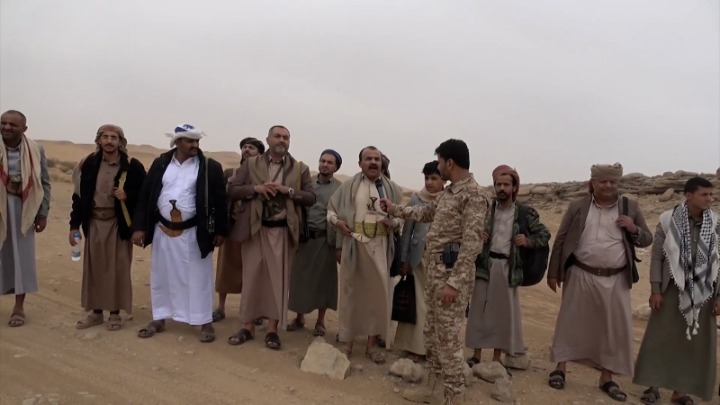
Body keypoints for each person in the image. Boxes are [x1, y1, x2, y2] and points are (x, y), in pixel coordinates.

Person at [382, 139, 488, 405]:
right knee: (432, 333)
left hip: (451, 275)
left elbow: (472, 245)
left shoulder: (473, 195)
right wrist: (395, 209)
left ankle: (454, 396)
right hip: (435, 271)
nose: (438, 167)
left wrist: (454, 283)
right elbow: (425, 213)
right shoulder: (449, 193)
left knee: (448, 339)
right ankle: (432, 389)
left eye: (439, 162)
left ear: (449, 163)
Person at [547, 163, 652, 402]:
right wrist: (553, 273)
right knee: (570, 322)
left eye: (613, 181)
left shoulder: (630, 207)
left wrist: (633, 228)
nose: (608, 185)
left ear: (618, 183)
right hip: (580, 273)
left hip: (616, 278)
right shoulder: (578, 206)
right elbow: (561, 239)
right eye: (603, 181)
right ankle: (560, 368)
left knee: (613, 329)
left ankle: (607, 377)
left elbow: (647, 239)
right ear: (592, 182)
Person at [131, 123, 227, 342]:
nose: (195, 145)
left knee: (199, 277)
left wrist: (220, 230)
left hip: (195, 232)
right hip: (163, 230)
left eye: (197, 141)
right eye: (190, 141)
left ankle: (204, 321)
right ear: (177, 142)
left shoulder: (209, 167)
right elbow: (146, 195)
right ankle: (160, 318)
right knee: (161, 275)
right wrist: (139, 227)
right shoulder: (161, 163)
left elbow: (220, 200)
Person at [226, 125, 315, 350]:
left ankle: (272, 330)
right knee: (252, 278)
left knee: (278, 281)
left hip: (282, 231)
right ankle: (247, 326)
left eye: (286, 137)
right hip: (255, 229)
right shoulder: (250, 164)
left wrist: (288, 191)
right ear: (268, 139)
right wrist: (256, 189)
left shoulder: (300, 168)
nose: (281, 140)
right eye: (277, 136)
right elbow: (233, 190)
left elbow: (310, 197)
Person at [634, 177, 719, 405]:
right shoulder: (668, 220)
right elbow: (657, 257)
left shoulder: (715, 223)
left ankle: (680, 392)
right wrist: (656, 289)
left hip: (703, 292)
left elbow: (718, 262)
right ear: (688, 195)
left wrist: (719, 296)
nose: (709, 199)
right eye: (704, 194)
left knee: (693, 343)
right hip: (672, 289)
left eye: (711, 194)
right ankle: (652, 386)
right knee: (661, 338)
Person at [465, 165, 550, 366]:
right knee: (479, 311)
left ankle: (496, 359)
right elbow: (469, 229)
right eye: (498, 184)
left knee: (501, 313)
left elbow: (544, 234)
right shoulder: (486, 209)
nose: (502, 188)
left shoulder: (524, 213)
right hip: (484, 266)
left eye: (506, 184)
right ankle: (476, 355)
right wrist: (479, 236)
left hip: (507, 268)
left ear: (514, 187)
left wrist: (528, 241)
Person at [327, 146, 403, 364]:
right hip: (355, 245)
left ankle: (371, 346)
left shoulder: (391, 189)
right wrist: (338, 223)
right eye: (368, 159)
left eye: (376, 159)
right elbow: (331, 211)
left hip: (380, 246)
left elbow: (402, 217)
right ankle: (347, 343)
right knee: (352, 294)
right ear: (360, 163)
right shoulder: (349, 187)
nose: (373, 162)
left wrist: (394, 223)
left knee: (376, 296)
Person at [69, 124, 146, 331]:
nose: (109, 141)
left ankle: (114, 313)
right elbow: (78, 197)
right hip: (94, 222)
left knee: (117, 269)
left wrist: (127, 196)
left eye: (114, 137)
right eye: (105, 137)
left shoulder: (132, 166)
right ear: (99, 140)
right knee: (94, 269)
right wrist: (74, 226)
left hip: (118, 224)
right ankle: (95, 313)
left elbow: (144, 198)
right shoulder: (88, 163)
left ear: (121, 142)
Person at [0, 110, 51, 327]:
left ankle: (19, 307)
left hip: (24, 209)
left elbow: (44, 183)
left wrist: (42, 214)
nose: (6, 127)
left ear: (24, 129)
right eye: (3, 123)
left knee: (22, 257)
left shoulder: (36, 149)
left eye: (12, 124)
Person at [287, 149, 343, 336]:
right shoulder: (307, 183)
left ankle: (320, 321)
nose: (324, 165)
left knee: (324, 282)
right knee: (300, 280)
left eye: (329, 162)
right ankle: (299, 317)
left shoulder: (340, 189)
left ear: (336, 167)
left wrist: (338, 246)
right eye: (322, 161)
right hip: (304, 239)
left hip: (325, 241)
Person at [394, 160, 445, 359]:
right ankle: (413, 347)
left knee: (434, 305)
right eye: (427, 178)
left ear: (443, 180)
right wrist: (404, 259)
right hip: (417, 259)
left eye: (434, 178)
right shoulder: (416, 199)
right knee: (416, 302)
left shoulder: (449, 201)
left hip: (440, 262)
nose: (429, 182)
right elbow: (407, 232)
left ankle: (431, 348)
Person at [212, 136, 265, 322]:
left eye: (251, 148)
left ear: (260, 153)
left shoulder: (264, 176)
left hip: (254, 229)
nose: (247, 150)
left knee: (254, 271)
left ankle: (253, 310)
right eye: (245, 147)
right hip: (232, 226)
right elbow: (219, 198)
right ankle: (220, 307)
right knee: (225, 268)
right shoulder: (230, 173)